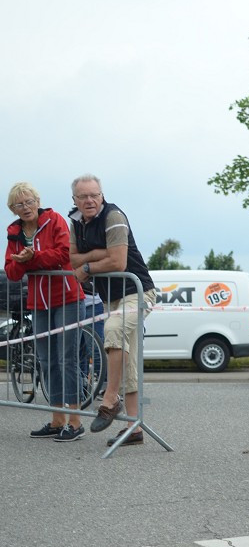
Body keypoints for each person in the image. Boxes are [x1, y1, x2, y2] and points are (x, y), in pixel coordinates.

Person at [68, 175, 157, 446]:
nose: (89, 200)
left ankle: (110, 398)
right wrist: (98, 254)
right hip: (111, 299)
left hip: (139, 291)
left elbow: (118, 262)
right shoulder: (74, 221)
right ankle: (134, 429)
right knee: (127, 358)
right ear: (75, 200)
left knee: (113, 329)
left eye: (94, 195)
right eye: (83, 196)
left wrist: (87, 266)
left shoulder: (114, 216)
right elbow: (72, 259)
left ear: (102, 195)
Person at [4, 182, 86, 442]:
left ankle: (75, 421)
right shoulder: (14, 231)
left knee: (67, 359)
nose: (26, 207)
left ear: (38, 201)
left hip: (67, 298)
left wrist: (32, 259)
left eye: (29, 202)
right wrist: (22, 263)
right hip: (38, 304)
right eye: (20, 204)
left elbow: (64, 255)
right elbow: (12, 271)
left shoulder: (55, 220)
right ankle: (56, 418)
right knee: (47, 360)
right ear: (12, 208)